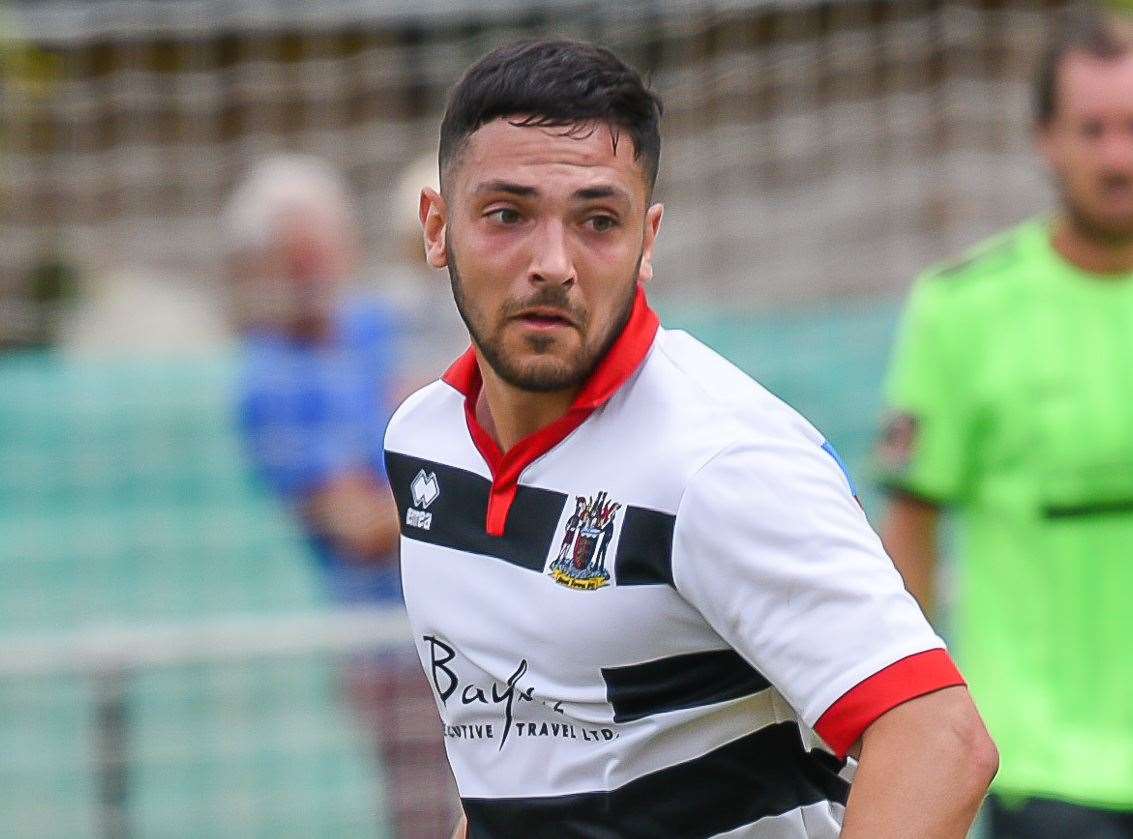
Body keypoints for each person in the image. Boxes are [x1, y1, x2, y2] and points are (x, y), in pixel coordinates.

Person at [384, 38, 997, 839]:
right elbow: (513, 766)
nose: (552, 263)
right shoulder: (422, 444)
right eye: (507, 214)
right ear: (437, 228)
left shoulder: (722, 461)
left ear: (648, 241)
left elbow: (938, 739)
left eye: (598, 221)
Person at [876, 12, 1133, 838]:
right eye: (1092, 130)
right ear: (1044, 140)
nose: (1117, 157)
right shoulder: (964, 311)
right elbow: (909, 535)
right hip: (1044, 765)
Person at [225, 154, 457, 837]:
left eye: (321, 249)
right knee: (429, 815)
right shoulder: (267, 382)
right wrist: (469, 484)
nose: (313, 270)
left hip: (480, 608)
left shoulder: (379, 324)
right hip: (389, 642)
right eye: (293, 257)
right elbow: (359, 526)